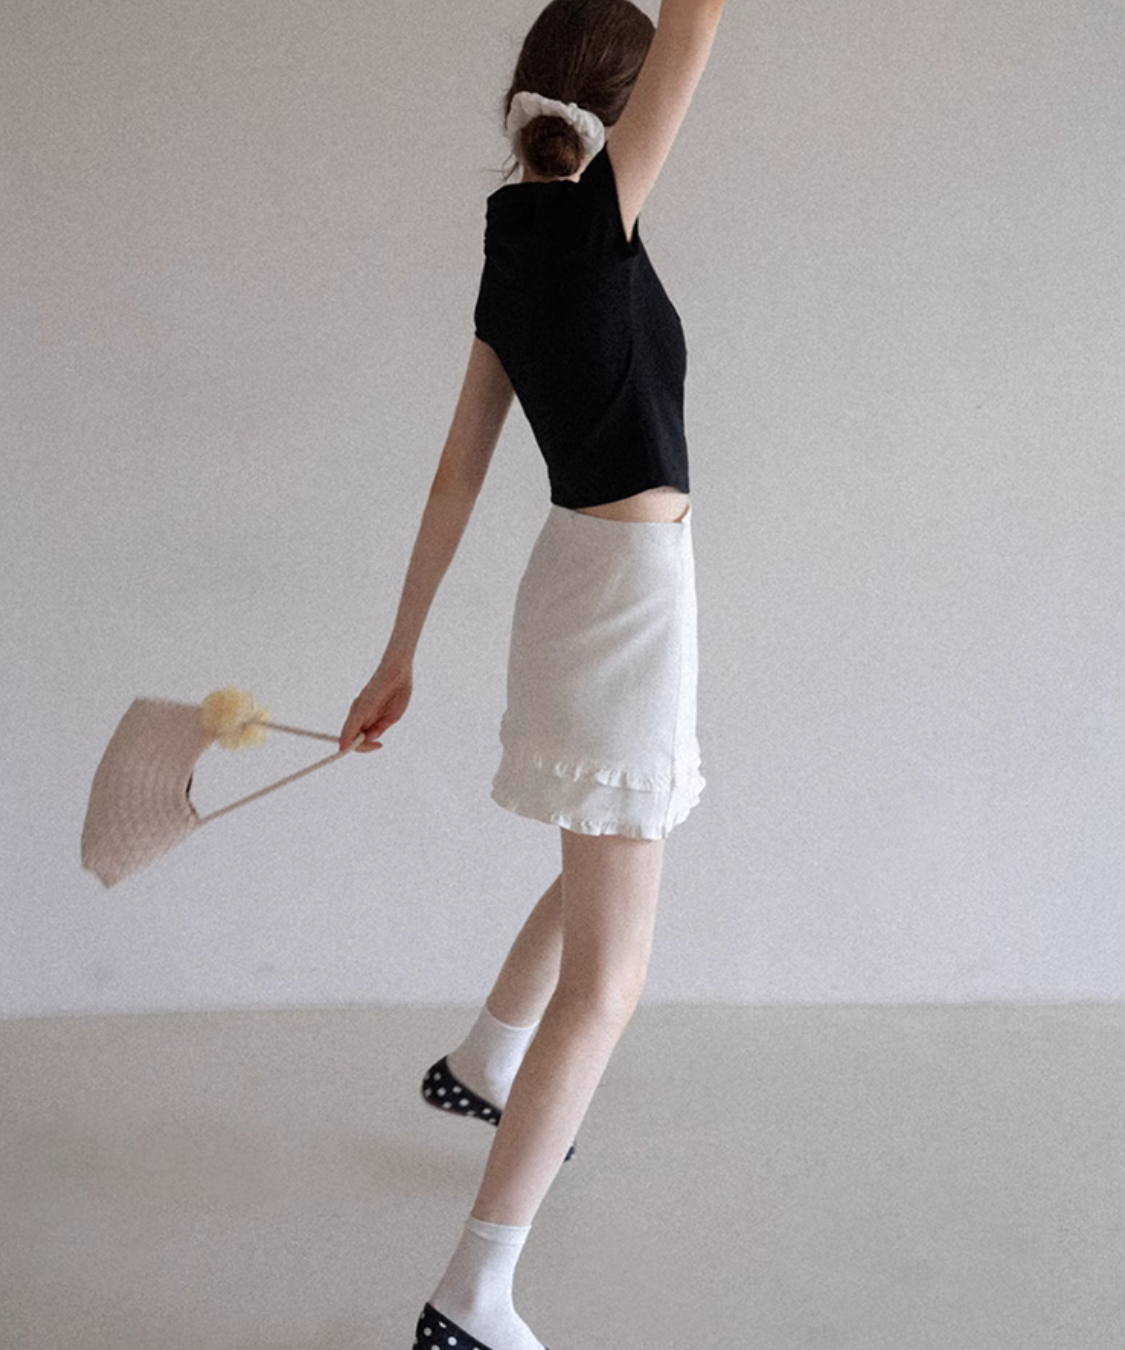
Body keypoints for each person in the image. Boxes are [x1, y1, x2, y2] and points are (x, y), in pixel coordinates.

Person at [338, 2, 724, 1345]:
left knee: (607, 851)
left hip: (575, 585)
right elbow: (697, 24)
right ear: (622, 110)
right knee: (611, 979)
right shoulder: (596, 220)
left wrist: (398, 654)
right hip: (626, 597)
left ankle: (485, 1057)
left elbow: (458, 471)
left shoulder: (513, 238)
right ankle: (473, 1294)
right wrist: (395, 653)